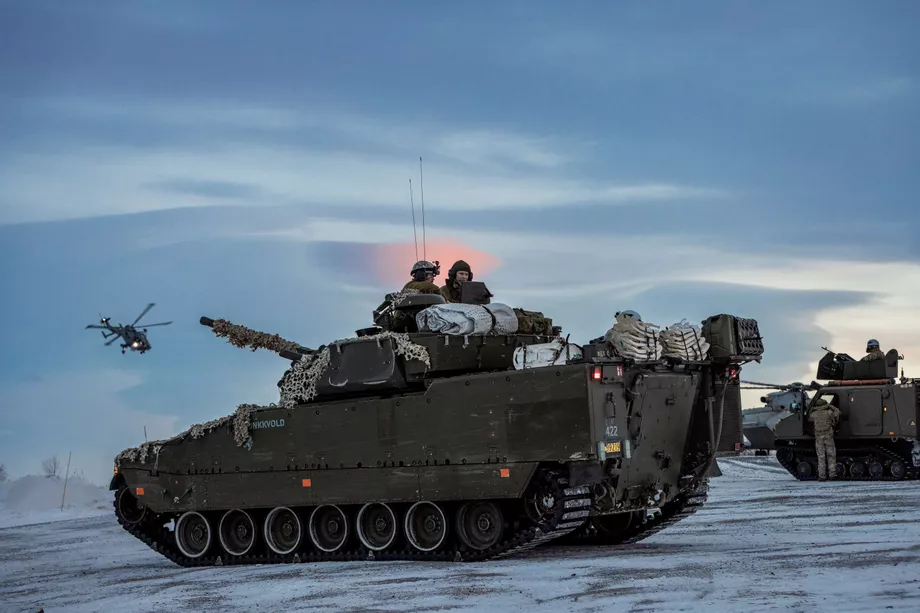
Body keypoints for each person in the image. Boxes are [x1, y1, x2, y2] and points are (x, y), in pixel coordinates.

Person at [807, 397, 841, 481]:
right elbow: (838, 412)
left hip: (819, 437)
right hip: (828, 436)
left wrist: (813, 408)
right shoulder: (829, 412)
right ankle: (832, 475)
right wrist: (830, 406)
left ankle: (822, 476)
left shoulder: (814, 414)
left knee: (821, 456)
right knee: (831, 455)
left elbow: (808, 417)